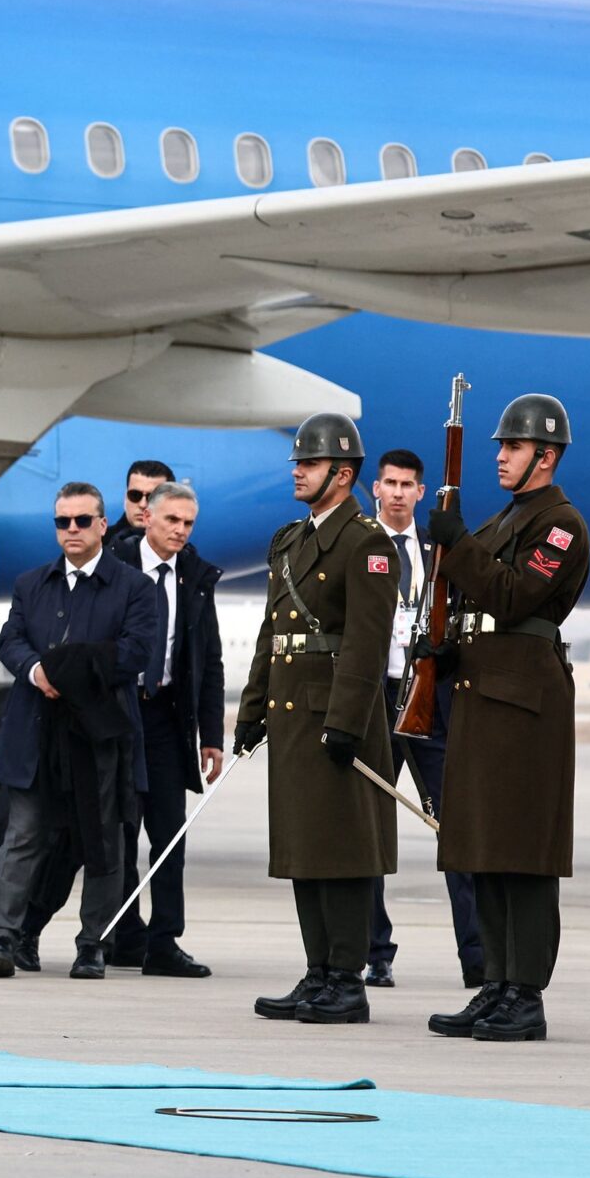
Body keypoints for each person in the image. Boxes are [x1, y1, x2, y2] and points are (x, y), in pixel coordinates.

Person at [422, 394, 589, 1043]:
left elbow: (513, 594)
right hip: (482, 695)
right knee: (484, 849)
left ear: (544, 457)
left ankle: (526, 991)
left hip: (525, 704)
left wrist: (457, 543)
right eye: (499, 446)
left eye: (512, 448)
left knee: (522, 850)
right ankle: (495, 982)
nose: (500, 456)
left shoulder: (559, 525)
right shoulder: (503, 521)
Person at [237, 411, 398, 1026]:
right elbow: (271, 634)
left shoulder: (366, 543)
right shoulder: (291, 541)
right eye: (298, 463)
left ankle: (346, 980)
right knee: (305, 848)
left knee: (346, 851)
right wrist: (252, 712)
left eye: (309, 463)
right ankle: (317, 971)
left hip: (336, 720)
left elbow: (365, 642)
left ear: (344, 473)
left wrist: (347, 721)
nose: (298, 472)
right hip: (292, 715)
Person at [0, 482, 161, 980]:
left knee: (103, 840)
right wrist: (39, 672)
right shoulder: (30, 583)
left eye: (83, 520)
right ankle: (3, 937)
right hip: (36, 729)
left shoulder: (133, 588)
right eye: (63, 522)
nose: (73, 530)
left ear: (103, 525)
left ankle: (92, 946)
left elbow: (137, 652)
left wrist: (72, 672)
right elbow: (10, 639)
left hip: (97, 738)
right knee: (24, 834)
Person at [365, 449, 482, 988]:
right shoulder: (359, 547)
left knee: (455, 828)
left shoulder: (441, 549)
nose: (396, 492)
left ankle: (479, 958)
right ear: (375, 490)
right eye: (388, 482)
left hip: (431, 702)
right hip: (375, 700)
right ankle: (373, 951)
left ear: (420, 492)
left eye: (407, 484)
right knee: (366, 828)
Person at [104, 479, 224, 978]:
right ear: (146, 517)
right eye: (171, 520)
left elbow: (210, 660)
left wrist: (212, 736)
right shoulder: (113, 569)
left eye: (188, 523)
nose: (179, 530)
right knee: (119, 831)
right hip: (117, 714)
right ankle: (122, 933)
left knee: (169, 834)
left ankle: (164, 940)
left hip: (167, 717)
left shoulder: (194, 576)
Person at [115, 458, 174, 534]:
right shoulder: (100, 543)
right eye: (135, 495)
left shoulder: (177, 545)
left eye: (152, 498)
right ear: (125, 497)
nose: (143, 505)